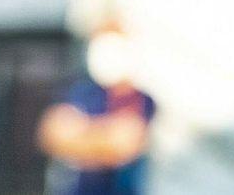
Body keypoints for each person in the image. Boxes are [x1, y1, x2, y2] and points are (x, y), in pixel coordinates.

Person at [38, 23, 156, 195]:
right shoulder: (82, 91)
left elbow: (125, 144)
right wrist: (105, 136)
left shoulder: (143, 99)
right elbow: (52, 135)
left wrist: (85, 134)